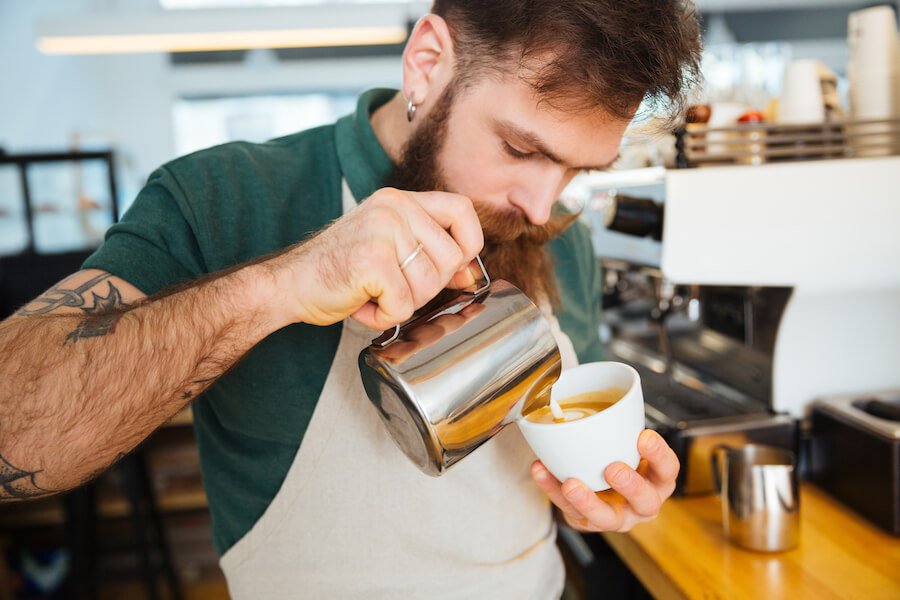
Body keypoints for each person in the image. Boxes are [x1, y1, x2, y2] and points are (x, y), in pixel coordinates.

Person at [0, 1, 701, 597]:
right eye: (522, 149)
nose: (543, 203)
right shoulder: (226, 198)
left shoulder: (558, 237)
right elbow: (14, 439)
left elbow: (575, 443)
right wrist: (283, 283)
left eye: (577, 168)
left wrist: (608, 488)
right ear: (427, 63)